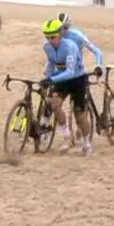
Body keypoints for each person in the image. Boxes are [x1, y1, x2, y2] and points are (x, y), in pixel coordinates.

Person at [41, 19, 93, 155]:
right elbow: (52, 63)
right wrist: (46, 76)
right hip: (62, 79)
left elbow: (70, 71)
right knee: (53, 103)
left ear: (60, 34)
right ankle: (66, 134)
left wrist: (51, 79)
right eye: (47, 37)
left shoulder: (70, 46)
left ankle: (87, 142)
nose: (50, 40)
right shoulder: (46, 47)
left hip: (77, 79)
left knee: (79, 115)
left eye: (53, 37)